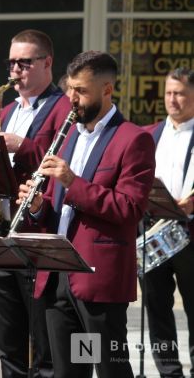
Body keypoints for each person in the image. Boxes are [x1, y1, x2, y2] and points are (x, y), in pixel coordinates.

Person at [19, 50, 156, 378]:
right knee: (69, 372)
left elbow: (129, 208)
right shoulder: (67, 138)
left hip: (98, 280)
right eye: (69, 89)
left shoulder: (133, 139)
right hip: (58, 277)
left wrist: (71, 181)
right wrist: (38, 207)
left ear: (107, 90)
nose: (71, 98)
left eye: (81, 91)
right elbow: (57, 206)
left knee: (110, 371)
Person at [0, 29, 72, 378]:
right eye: (11, 63)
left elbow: (65, 160)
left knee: (44, 348)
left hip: (38, 235)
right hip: (2, 233)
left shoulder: (64, 107)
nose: (15, 71)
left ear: (47, 63)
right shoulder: (5, 110)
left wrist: (21, 144)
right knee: (8, 346)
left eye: (24, 62)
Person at [142, 67, 194, 378]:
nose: (172, 100)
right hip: (153, 232)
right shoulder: (149, 134)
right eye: (169, 93)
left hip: (190, 234)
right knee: (156, 308)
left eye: (180, 94)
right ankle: (169, 372)